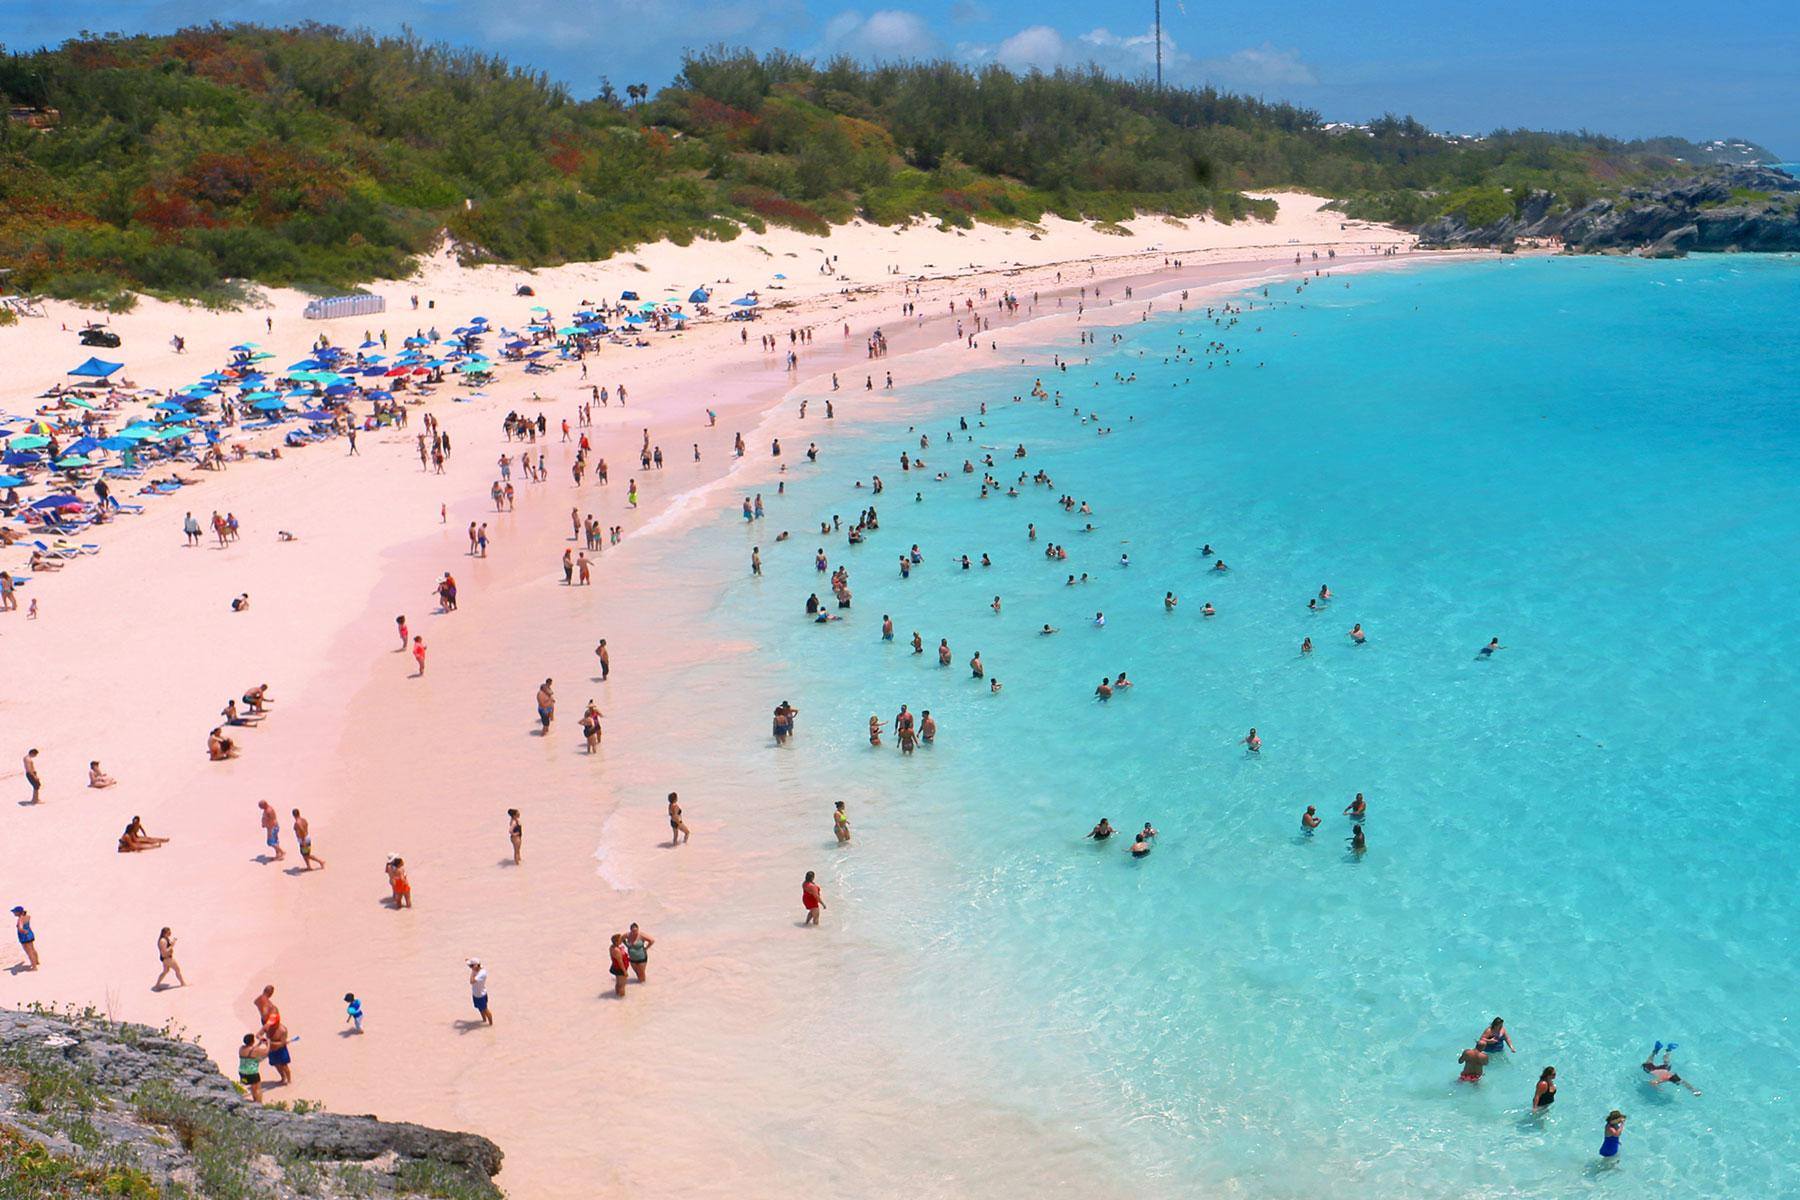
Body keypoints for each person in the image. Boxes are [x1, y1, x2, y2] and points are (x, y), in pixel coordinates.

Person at [239, 1032, 269, 1102]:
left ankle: (254, 1100)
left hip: (242, 1072)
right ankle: (258, 1103)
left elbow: (251, 1050)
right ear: (252, 1041)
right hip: (252, 1072)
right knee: (257, 1089)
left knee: (253, 1088)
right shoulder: (254, 1050)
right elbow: (266, 1052)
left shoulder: (241, 1048)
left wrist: (259, 1044)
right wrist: (268, 1044)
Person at [265, 1017, 293, 1086]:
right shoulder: (268, 1028)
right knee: (276, 1065)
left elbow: (282, 1043)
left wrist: (270, 1043)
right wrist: (266, 1042)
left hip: (281, 1050)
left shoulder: (283, 1030)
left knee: (284, 1065)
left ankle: (289, 1080)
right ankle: (283, 1078)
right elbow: (265, 1037)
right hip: (271, 1050)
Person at [468, 959, 493, 1025]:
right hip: (476, 994)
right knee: (480, 1009)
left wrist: (472, 971)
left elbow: (471, 981)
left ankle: (491, 1024)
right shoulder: (476, 969)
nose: (470, 967)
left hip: (481, 996)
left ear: (476, 966)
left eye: (471, 966)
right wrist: (472, 968)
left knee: (485, 1010)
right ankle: (484, 1020)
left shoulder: (482, 973)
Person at [12, 906, 37, 970]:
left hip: (24, 937)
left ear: (18, 912)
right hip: (30, 934)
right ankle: (36, 961)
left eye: (14, 912)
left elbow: (20, 928)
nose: (13, 913)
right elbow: (28, 918)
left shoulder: (20, 919)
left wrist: (23, 931)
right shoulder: (27, 916)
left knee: (29, 952)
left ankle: (34, 967)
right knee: (32, 949)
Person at [608, 933, 632, 997]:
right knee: (622, 985)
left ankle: (617, 995)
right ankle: (622, 997)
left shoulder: (612, 947)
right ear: (616, 941)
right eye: (620, 939)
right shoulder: (617, 950)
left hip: (616, 967)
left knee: (618, 983)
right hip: (620, 968)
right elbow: (620, 962)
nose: (621, 940)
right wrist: (625, 972)